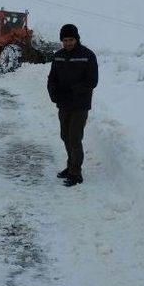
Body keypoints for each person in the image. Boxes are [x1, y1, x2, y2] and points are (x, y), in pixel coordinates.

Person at [47, 24, 98, 187]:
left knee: (75, 137)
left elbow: (92, 81)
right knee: (65, 136)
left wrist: (73, 90)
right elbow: (52, 78)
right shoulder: (58, 56)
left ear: (77, 39)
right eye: (65, 40)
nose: (68, 43)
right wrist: (53, 93)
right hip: (63, 104)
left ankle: (76, 173)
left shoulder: (88, 55)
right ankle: (70, 166)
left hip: (80, 104)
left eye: (71, 40)